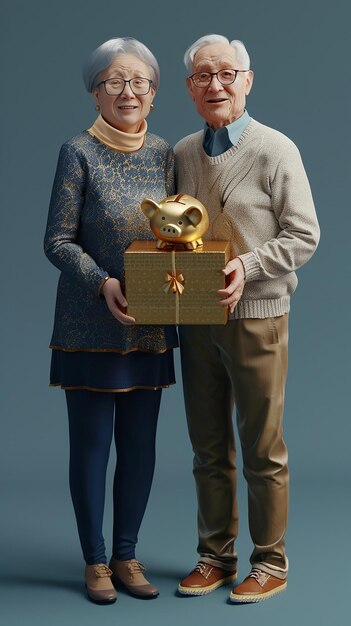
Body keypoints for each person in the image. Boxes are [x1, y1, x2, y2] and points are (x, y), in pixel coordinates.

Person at [174, 34, 320, 603]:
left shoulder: (275, 149)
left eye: (227, 74)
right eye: (204, 77)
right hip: (196, 318)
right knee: (208, 447)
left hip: (258, 315)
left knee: (262, 447)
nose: (216, 85)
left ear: (248, 79)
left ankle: (270, 561)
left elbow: (305, 234)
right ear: (190, 89)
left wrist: (248, 266)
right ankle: (214, 555)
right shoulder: (184, 152)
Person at [44, 37, 178, 604]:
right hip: (90, 323)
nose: (128, 92)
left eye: (139, 82)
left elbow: (180, 235)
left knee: (142, 448)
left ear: (153, 94)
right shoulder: (77, 151)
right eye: (114, 82)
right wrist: (104, 283)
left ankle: (127, 554)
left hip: (150, 324)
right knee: (93, 447)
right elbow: (56, 240)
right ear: (96, 93)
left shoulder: (166, 153)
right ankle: (95, 561)